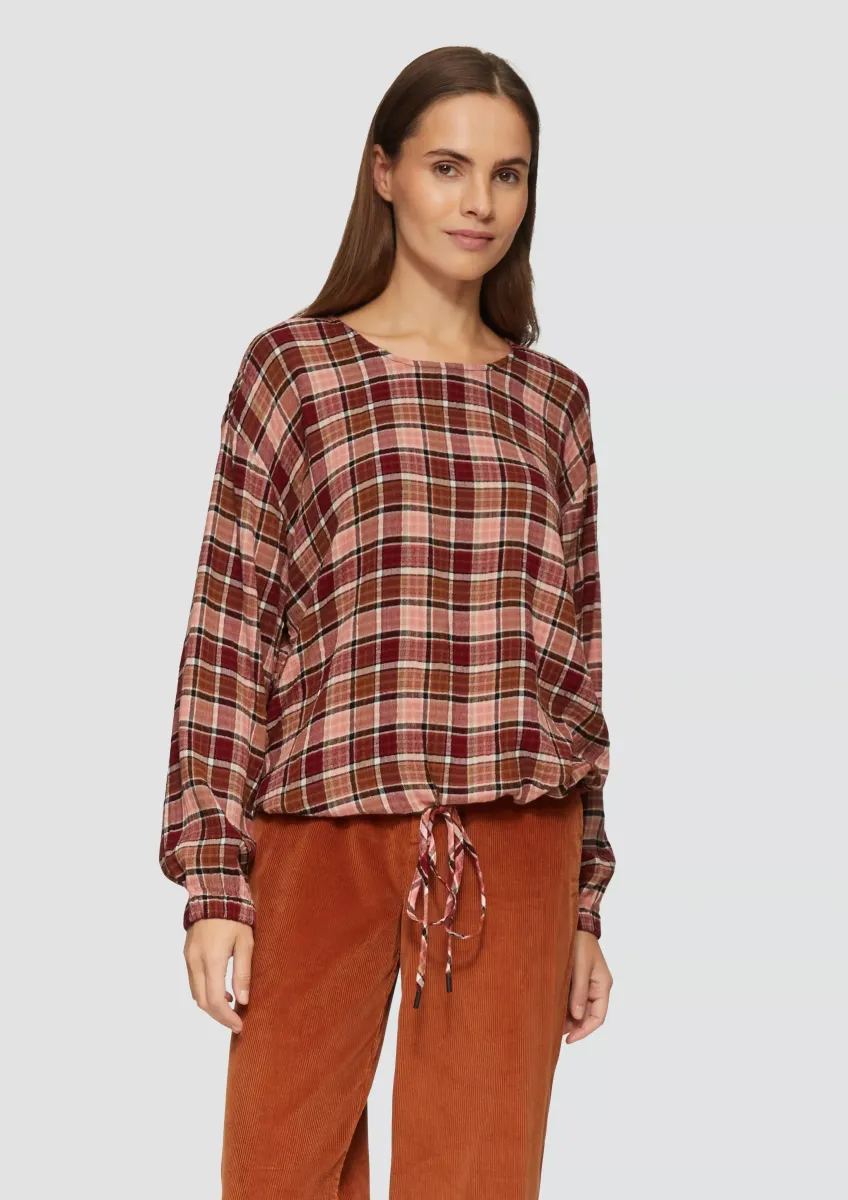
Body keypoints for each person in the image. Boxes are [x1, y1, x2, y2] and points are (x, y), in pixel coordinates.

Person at [159, 44, 615, 1200]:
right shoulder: (294, 371)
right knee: (277, 1170)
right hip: (321, 826)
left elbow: (574, 663)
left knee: (476, 1178)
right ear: (383, 172)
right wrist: (214, 886)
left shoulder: (551, 401)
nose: (478, 203)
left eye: (506, 174)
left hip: (514, 833)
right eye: (447, 166)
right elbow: (229, 631)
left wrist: (583, 908)